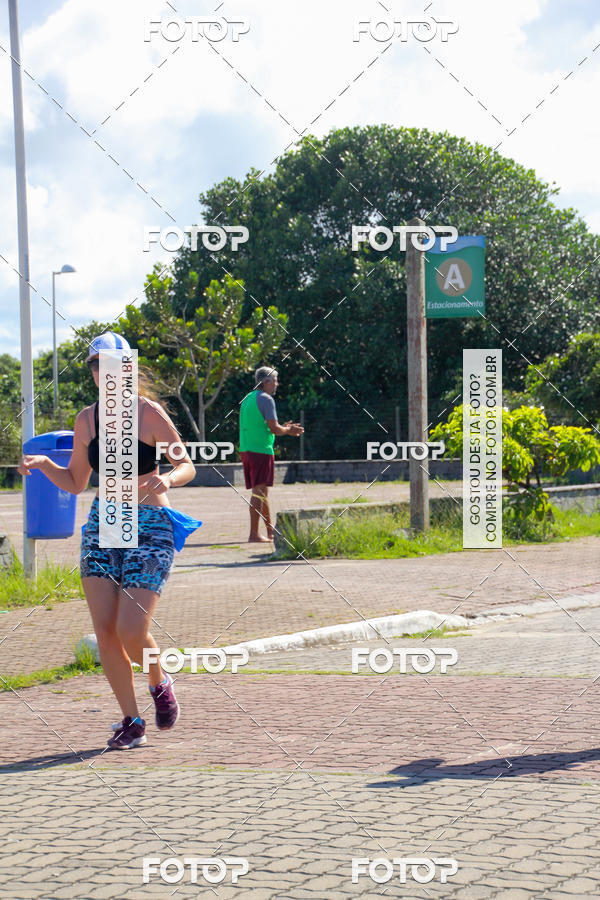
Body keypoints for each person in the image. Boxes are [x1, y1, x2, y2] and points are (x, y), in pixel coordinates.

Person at [18, 332, 199, 750]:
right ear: (95, 374)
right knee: (105, 630)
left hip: (150, 522)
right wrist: (46, 463)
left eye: (113, 365)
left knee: (131, 629)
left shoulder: (148, 414)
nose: (105, 372)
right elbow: (77, 481)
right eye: (98, 366)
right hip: (105, 522)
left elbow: (186, 464)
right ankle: (131, 720)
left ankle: (159, 680)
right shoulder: (87, 420)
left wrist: (167, 477)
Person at [239, 366, 304, 542]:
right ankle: (254, 534)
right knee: (258, 492)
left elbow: (263, 425)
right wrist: (289, 430)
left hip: (247, 449)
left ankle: (270, 531)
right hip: (260, 450)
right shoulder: (266, 399)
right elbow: (274, 429)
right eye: (275, 380)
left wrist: (285, 427)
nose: (277, 384)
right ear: (266, 382)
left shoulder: (248, 399)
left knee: (262, 492)